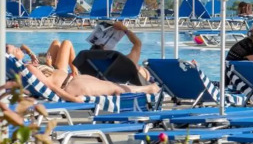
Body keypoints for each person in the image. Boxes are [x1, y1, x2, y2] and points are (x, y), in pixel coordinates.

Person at [6, 45, 159, 100]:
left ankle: (147, 89)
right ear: (12, 56)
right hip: (71, 86)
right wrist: (72, 99)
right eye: (15, 49)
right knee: (115, 89)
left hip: (73, 81)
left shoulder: (23, 68)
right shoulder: (28, 69)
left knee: (113, 86)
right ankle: (148, 89)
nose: (19, 49)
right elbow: (50, 86)